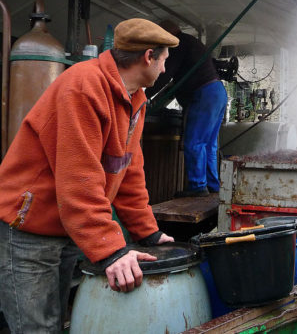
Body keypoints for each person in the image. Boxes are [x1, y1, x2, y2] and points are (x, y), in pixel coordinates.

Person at [0, 18, 179, 333]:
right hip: (29, 227)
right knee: (36, 328)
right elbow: (77, 181)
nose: (165, 70)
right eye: (164, 61)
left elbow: (127, 171)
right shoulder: (83, 86)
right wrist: (112, 251)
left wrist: (147, 233)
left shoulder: (134, 97)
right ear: (149, 56)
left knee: (59, 321)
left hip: (68, 227)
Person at [145, 20, 227, 197]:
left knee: (195, 142)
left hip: (204, 94)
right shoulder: (191, 42)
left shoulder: (177, 44)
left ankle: (198, 187)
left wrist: (144, 93)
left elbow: (165, 75)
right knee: (209, 144)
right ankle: (213, 186)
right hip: (217, 92)